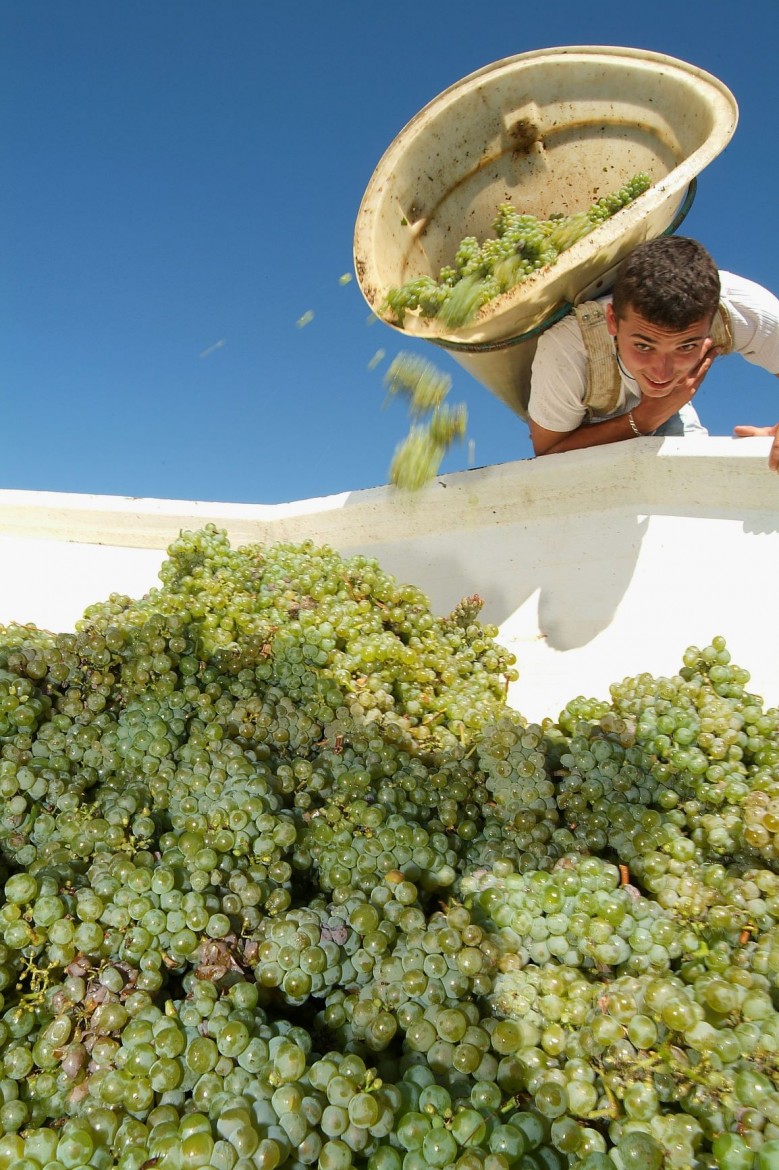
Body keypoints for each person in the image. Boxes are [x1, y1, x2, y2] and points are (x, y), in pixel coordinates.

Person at [527, 236, 779, 472]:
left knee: (692, 480)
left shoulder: (742, 309)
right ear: (612, 320)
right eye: (644, 346)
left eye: (686, 346)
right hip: (583, 423)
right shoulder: (567, 348)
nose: (663, 372)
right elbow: (549, 451)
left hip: (672, 410)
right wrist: (645, 418)